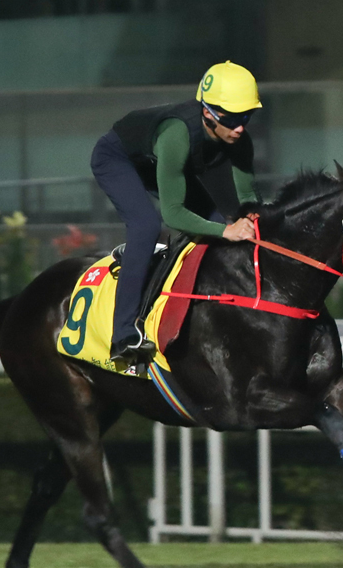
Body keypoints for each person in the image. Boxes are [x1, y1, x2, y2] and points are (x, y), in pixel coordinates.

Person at [91, 60, 262, 367]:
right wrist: (227, 230)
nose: (241, 127)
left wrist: (248, 220)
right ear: (208, 112)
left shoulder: (237, 138)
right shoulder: (177, 134)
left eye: (247, 116)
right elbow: (173, 214)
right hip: (118, 159)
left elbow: (248, 199)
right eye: (234, 118)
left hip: (168, 162)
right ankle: (123, 334)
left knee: (223, 221)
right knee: (146, 225)